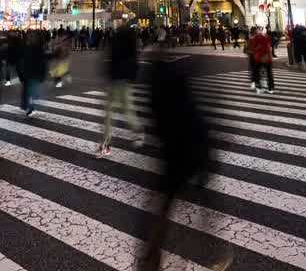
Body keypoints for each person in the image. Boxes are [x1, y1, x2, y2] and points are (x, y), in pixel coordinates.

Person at [141, 55, 231, 271]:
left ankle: (152, 256)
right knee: (203, 198)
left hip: (174, 153)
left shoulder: (157, 91)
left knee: (166, 204)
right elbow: (201, 116)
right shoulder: (181, 87)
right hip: (195, 150)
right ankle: (212, 251)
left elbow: (156, 124)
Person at [97, 23, 144, 157]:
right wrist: (133, 77)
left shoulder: (116, 40)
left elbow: (110, 60)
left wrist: (106, 75)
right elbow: (135, 62)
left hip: (114, 79)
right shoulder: (131, 42)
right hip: (125, 80)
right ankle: (138, 130)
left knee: (109, 113)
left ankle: (106, 144)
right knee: (128, 108)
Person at [20, 30, 48, 116]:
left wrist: (42, 74)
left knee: (30, 92)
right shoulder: (27, 47)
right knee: (29, 91)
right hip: (29, 73)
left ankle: (29, 107)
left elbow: (43, 62)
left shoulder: (38, 48)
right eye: (30, 37)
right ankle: (29, 106)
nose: (30, 38)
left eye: (32, 37)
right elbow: (23, 60)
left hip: (34, 73)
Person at [247, 27, 274, 94]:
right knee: (269, 73)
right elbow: (270, 45)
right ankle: (271, 89)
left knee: (256, 73)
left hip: (259, 58)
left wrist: (255, 50)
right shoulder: (267, 37)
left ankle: (259, 88)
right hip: (267, 58)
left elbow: (252, 47)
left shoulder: (255, 38)